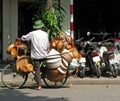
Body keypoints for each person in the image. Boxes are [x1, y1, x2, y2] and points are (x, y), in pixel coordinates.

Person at [21, 20, 50, 90]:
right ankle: (41, 77)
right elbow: (47, 44)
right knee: (43, 67)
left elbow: (23, 38)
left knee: (37, 69)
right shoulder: (45, 34)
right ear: (41, 27)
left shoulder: (32, 34)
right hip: (44, 53)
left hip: (36, 55)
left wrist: (21, 38)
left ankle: (39, 85)